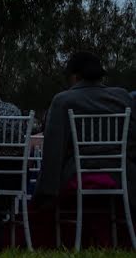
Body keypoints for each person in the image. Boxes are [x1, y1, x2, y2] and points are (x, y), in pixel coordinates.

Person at [34, 51, 136, 210]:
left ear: (75, 77)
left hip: (78, 176)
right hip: (124, 178)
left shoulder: (63, 101)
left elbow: (53, 152)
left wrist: (44, 195)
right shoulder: (123, 97)